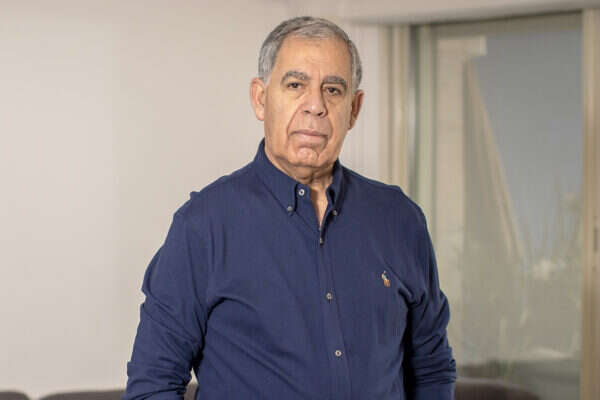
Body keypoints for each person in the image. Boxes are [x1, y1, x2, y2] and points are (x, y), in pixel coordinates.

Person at [123, 16, 456, 400]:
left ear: (354, 109)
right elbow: (152, 384)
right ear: (260, 98)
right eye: (296, 85)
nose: (315, 106)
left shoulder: (400, 219)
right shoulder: (203, 226)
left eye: (333, 89)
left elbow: (431, 368)